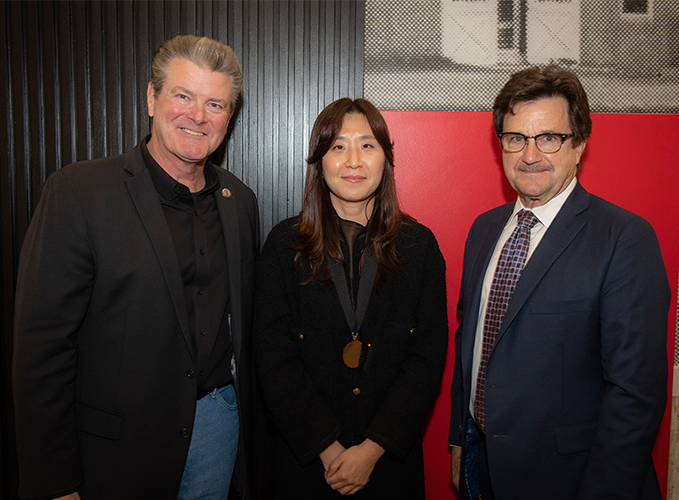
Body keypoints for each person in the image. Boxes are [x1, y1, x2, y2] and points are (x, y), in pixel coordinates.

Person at [13, 35, 259, 500]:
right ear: (152, 98)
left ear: (229, 116)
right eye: (183, 96)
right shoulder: (79, 193)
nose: (198, 116)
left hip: (217, 432)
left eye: (215, 104)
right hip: (116, 449)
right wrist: (54, 482)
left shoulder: (239, 201)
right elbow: (42, 348)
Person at [449, 65, 670, 500]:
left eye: (549, 137)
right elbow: (469, 343)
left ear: (580, 144)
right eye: (516, 138)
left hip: (574, 480)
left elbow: (634, 396)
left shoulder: (625, 238)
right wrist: (461, 442)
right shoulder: (484, 230)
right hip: (485, 467)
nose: (530, 155)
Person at [253, 98, 448, 498]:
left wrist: (372, 449)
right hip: (305, 462)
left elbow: (426, 359)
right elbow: (274, 360)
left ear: (386, 159)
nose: (353, 160)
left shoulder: (419, 247)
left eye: (367, 145)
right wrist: (328, 449)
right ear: (319, 161)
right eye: (338, 146)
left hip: (389, 463)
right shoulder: (283, 245)